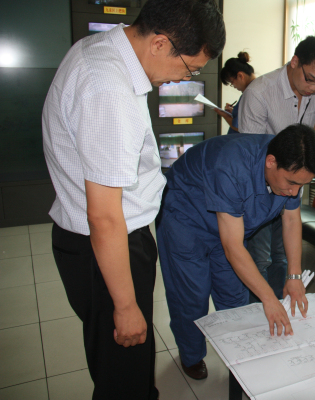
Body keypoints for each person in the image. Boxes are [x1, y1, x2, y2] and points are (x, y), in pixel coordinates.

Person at [41, 0, 225, 398]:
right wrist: (124, 306)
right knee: (124, 372)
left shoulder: (104, 49)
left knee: (123, 366)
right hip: (109, 244)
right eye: (189, 68)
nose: (184, 79)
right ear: (159, 43)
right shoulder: (110, 91)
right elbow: (105, 217)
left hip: (99, 240)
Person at [156, 125, 315, 380]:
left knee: (234, 296)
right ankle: (191, 355)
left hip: (231, 225)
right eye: (291, 183)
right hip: (186, 219)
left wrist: (294, 277)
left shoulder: (291, 166)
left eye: (301, 186)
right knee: (191, 297)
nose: (294, 192)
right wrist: (269, 299)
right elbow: (233, 247)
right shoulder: (231, 166)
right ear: (270, 162)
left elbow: (291, 220)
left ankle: (237, 354)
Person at [237, 35, 315, 303]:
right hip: (261, 191)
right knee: (259, 258)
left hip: (290, 189)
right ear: (295, 61)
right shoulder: (259, 93)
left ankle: (280, 309)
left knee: (281, 257)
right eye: (310, 79)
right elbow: (252, 157)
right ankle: (260, 312)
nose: (314, 88)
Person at [215, 51, 256, 134]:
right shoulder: (256, 88)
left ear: (240, 76)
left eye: (232, 82)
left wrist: (224, 115)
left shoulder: (251, 93)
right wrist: (234, 112)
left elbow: (240, 127)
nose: (233, 86)